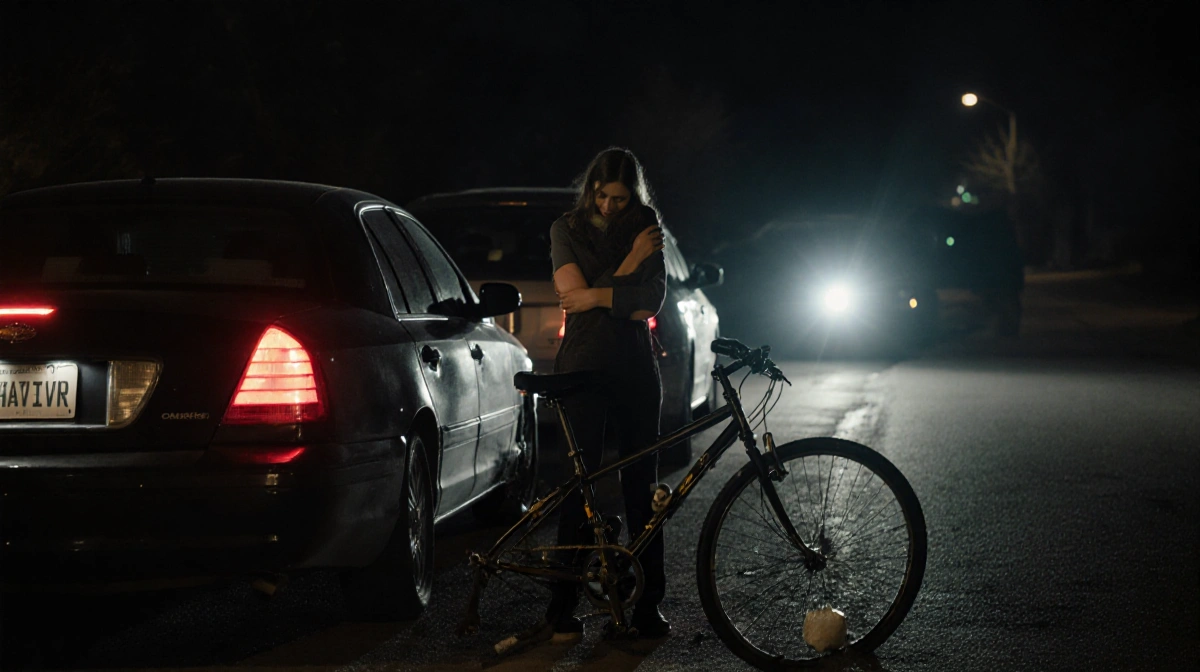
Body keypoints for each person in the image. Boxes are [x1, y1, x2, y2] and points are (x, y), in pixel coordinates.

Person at [498, 148, 668, 654]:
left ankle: (646, 604)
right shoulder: (566, 228)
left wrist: (599, 296)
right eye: (603, 195)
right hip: (582, 368)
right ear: (590, 189)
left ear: (632, 195)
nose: (611, 206)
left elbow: (650, 301)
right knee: (580, 483)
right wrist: (631, 262)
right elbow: (571, 293)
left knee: (642, 487)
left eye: (620, 198)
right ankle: (562, 609)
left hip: (637, 368)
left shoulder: (647, 222)